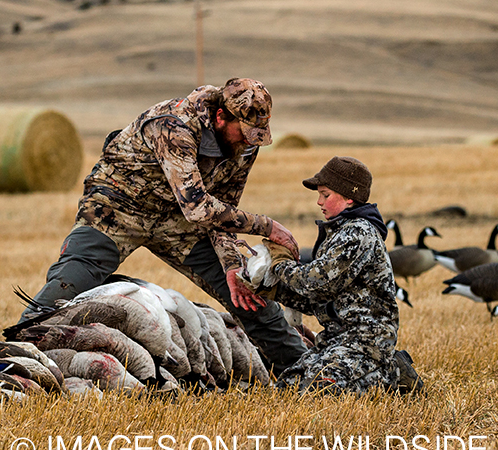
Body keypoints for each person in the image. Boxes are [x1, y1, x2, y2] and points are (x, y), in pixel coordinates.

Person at [21, 78, 307, 375]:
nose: (251, 140)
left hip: (177, 221)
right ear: (221, 117)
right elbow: (198, 206)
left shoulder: (246, 145)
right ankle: (12, 360)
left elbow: (223, 207)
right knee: (66, 287)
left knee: (247, 295)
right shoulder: (173, 126)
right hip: (118, 209)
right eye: (245, 132)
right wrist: (267, 226)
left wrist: (233, 266)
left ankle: (305, 370)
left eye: (258, 134)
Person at [262, 156, 423, 394]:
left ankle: (391, 373)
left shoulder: (357, 234)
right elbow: (320, 300)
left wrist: (280, 265)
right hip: (336, 340)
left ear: (349, 197)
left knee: (320, 390)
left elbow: (317, 283)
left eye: (325, 195)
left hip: (366, 342)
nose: (319, 202)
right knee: (288, 387)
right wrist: (274, 291)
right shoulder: (338, 234)